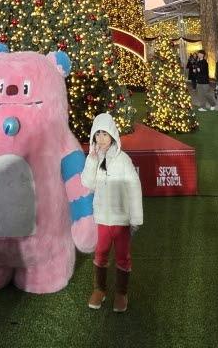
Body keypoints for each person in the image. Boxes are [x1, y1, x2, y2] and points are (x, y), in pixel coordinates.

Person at [82, 112, 143, 314]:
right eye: (97, 134)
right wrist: (91, 161)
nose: (101, 139)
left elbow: (134, 188)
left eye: (105, 134)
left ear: (113, 135)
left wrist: (135, 218)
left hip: (121, 220)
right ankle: (100, 289)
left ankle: (121, 292)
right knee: (100, 253)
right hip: (102, 219)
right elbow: (88, 184)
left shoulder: (123, 160)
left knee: (123, 256)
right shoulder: (95, 158)